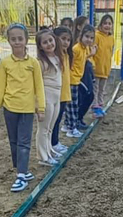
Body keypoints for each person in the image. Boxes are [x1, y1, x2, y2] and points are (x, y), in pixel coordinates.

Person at [0, 23, 45, 193]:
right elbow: (0, 86)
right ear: (8, 41)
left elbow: (39, 86)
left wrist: (41, 107)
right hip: (10, 108)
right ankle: (21, 168)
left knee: (23, 142)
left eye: (20, 39)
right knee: (14, 141)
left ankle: (21, 174)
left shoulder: (33, 63)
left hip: (27, 109)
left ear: (26, 40)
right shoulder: (5, 63)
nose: (17, 42)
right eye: (13, 39)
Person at [35, 28, 62, 167]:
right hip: (46, 96)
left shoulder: (56, 57)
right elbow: (36, 83)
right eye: (45, 42)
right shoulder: (40, 62)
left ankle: (49, 150)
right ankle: (43, 156)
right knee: (44, 128)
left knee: (50, 127)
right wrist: (38, 104)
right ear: (40, 46)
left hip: (57, 95)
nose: (49, 44)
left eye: (50, 40)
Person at [64, 24, 97, 138]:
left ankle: (68, 125)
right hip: (73, 80)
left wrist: (90, 55)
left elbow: (82, 60)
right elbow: (71, 63)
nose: (89, 40)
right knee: (73, 105)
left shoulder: (84, 48)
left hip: (77, 79)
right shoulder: (76, 48)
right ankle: (71, 128)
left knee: (73, 103)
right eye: (87, 36)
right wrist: (70, 77)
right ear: (81, 36)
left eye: (91, 38)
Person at [51, 25, 73, 155]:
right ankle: (53, 143)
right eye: (63, 38)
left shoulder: (66, 55)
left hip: (64, 94)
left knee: (58, 120)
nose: (66, 42)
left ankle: (55, 142)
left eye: (68, 40)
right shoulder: (54, 57)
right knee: (54, 121)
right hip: (55, 95)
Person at [92, 14, 115, 116]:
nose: (107, 25)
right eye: (105, 23)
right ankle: (95, 108)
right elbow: (93, 51)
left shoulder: (111, 38)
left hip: (105, 69)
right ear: (101, 25)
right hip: (97, 68)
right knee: (95, 89)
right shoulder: (97, 36)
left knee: (102, 89)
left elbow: (111, 53)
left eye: (109, 23)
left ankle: (100, 106)